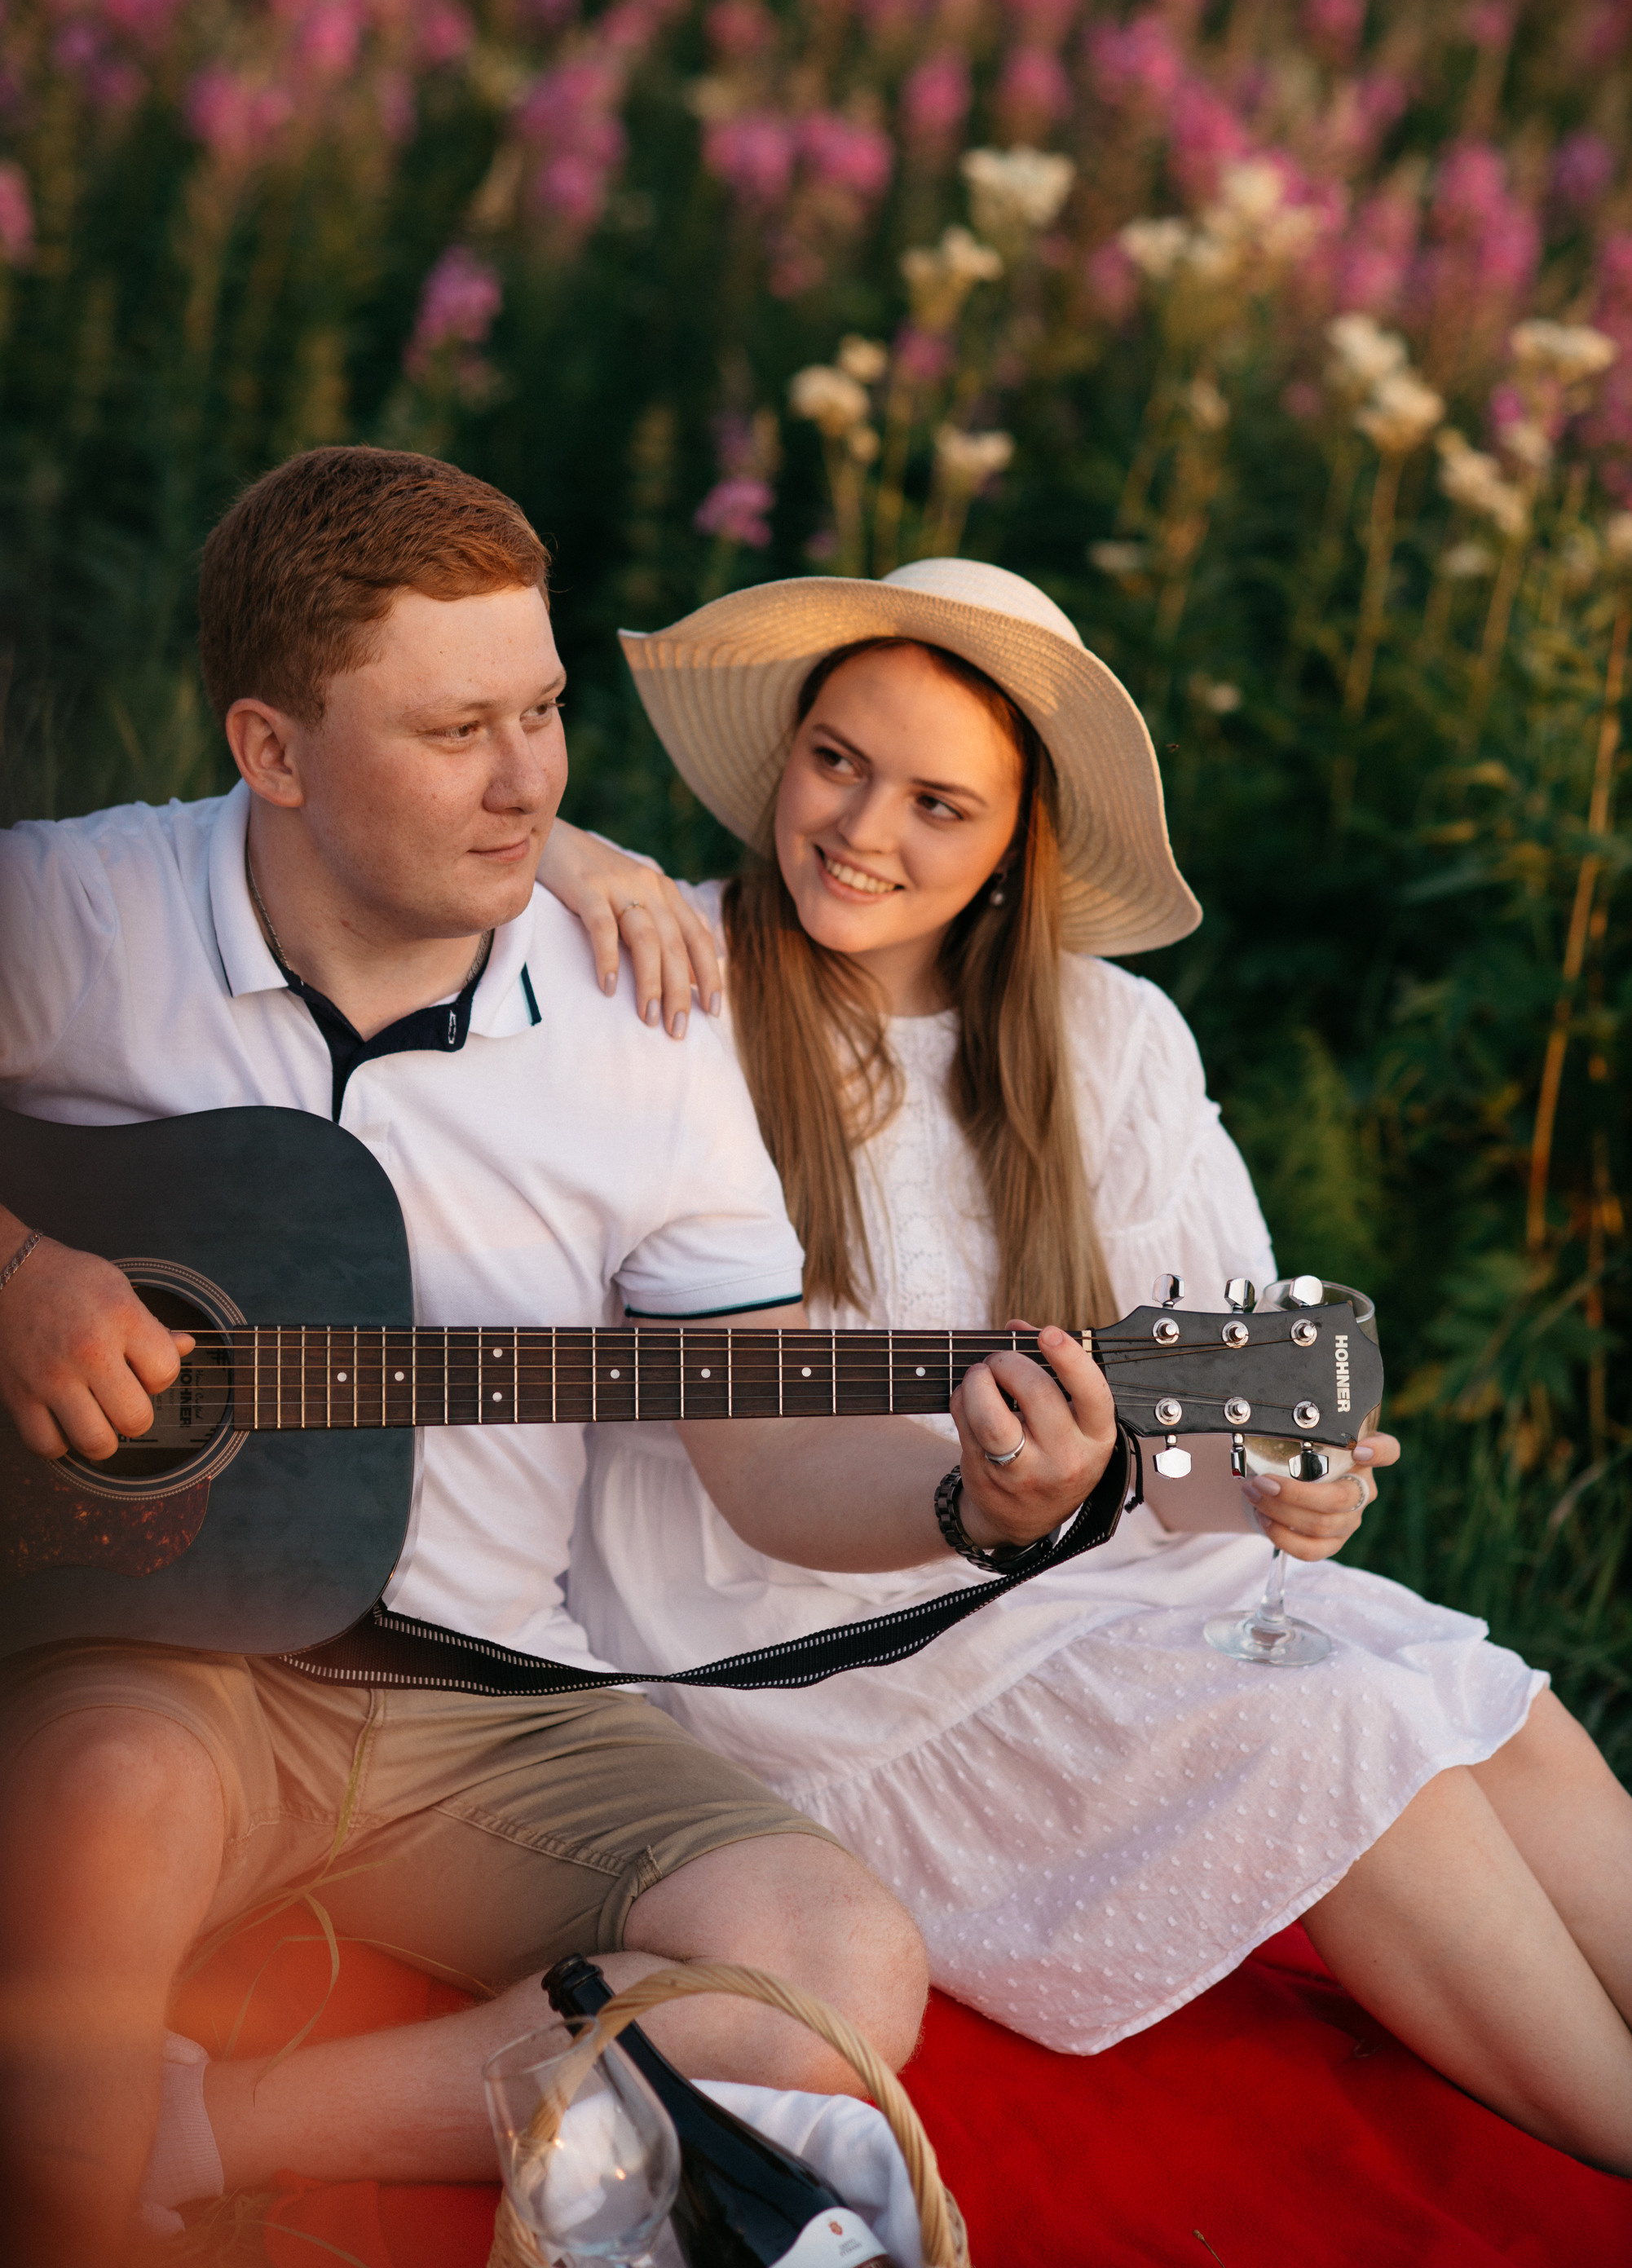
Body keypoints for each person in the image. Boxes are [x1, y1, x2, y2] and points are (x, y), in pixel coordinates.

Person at [0, 457, 1117, 2266]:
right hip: (161, 1658)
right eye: (457, 731)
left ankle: (221, 2120)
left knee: (835, 1959)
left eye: (544, 713)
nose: (532, 782)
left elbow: (757, 1442)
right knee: (101, 1804)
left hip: (481, 1694)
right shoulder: (84, 913)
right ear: (271, 753)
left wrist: (968, 1493)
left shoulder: (639, 1017)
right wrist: (24, 1272)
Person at [538, 554, 1632, 2174]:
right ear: (783, 756)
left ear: (1010, 847)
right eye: (836, 761)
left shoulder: (1103, 1035)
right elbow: (416, 861)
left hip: (1073, 1574)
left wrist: (1290, 1484)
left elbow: (1230, 1408)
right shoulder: (664, 974)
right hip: (809, 1639)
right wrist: (563, 846)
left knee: (1487, 1705)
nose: (861, 829)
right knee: (1323, 1733)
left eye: (938, 803)